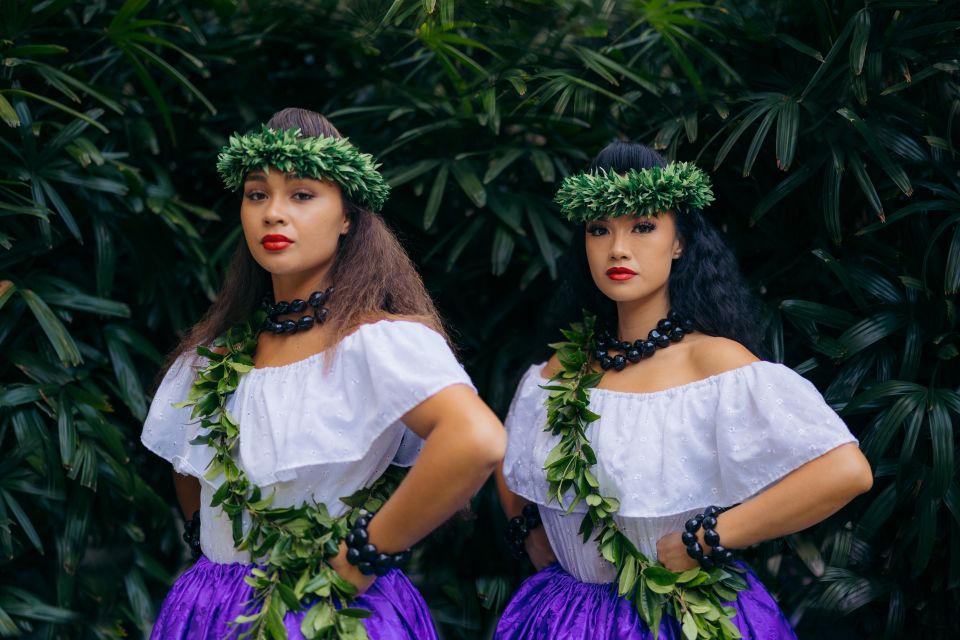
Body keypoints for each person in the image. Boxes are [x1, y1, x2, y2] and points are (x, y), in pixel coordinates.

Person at [141, 107, 506, 639]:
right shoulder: (210, 360)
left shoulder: (378, 343)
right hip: (211, 613)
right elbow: (192, 486)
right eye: (257, 193)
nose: (273, 213)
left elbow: (475, 440)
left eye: (302, 194)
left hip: (332, 608)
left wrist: (362, 557)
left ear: (347, 217)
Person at [494, 141, 873, 639]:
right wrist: (531, 534)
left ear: (680, 242)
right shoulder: (562, 367)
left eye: (643, 227)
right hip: (565, 618)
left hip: (687, 615)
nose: (618, 249)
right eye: (599, 230)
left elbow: (844, 470)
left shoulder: (714, 363)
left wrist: (709, 537)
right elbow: (508, 458)